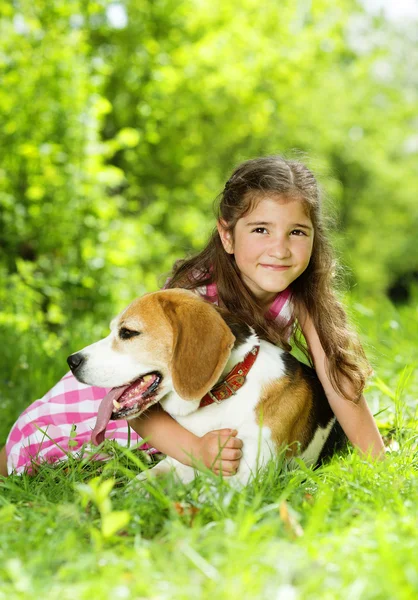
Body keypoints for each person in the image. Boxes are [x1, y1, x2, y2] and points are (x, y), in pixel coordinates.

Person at [0, 155, 385, 478]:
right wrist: (196, 451)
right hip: (114, 400)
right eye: (261, 229)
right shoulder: (193, 297)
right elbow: (135, 404)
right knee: (28, 451)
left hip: (186, 415)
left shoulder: (302, 296)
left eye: (297, 232)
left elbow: (338, 380)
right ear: (228, 235)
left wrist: (378, 465)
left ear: (315, 236)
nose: (280, 249)